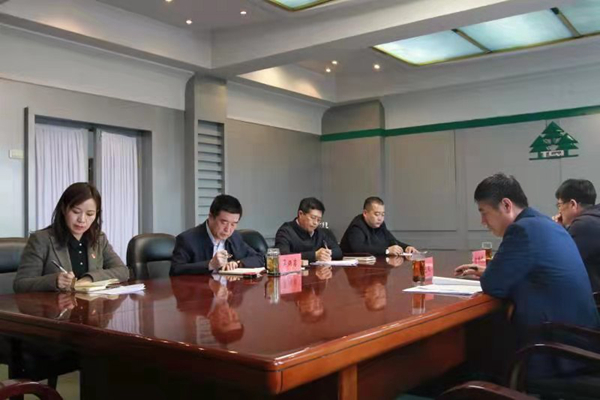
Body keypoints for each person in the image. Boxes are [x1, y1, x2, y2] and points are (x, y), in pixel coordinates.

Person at [455, 173, 599, 379]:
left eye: (484, 212)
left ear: (506, 205)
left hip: (555, 354)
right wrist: (492, 270)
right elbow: (538, 271)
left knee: (476, 359)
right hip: (581, 344)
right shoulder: (545, 223)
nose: (482, 221)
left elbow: (493, 285)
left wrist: (491, 273)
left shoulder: (521, 230)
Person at [14, 182, 129, 293]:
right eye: (76, 211)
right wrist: (54, 281)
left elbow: (123, 271)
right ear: (64, 209)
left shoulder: (99, 239)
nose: (82, 219)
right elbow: (21, 284)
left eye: (89, 214)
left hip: (92, 304)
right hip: (55, 305)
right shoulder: (41, 240)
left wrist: (90, 278)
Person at [170, 194, 264, 276]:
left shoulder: (234, 237)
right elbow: (175, 270)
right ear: (211, 217)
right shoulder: (187, 239)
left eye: (233, 224)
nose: (228, 229)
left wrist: (238, 263)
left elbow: (259, 258)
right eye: (224, 222)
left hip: (229, 289)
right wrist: (210, 265)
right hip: (200, 290)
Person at [554, 179, 600, 291]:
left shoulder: (582, 225)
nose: (559, 212)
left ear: (572, 204)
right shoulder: (594, 218)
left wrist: (556, 230)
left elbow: (559, 264)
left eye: (559, 205)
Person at [340, 196, 417, 256]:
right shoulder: (357, 226)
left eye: (382, 214)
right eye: (377, 214)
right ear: (365, 213)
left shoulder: (380, 224)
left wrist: (406, 247)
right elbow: (359, 249)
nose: (380, 218)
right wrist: (387, 251)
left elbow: (391, 240)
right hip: (354, 267)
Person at [274, 197, 342, 262]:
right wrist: (314, 255)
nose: (315, 223)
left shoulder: (319, 232)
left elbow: (338, 252)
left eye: (319, 220)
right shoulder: (285, 231)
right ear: (300, 214)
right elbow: (283, 257)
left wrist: (327, 253)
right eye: (313, 217)